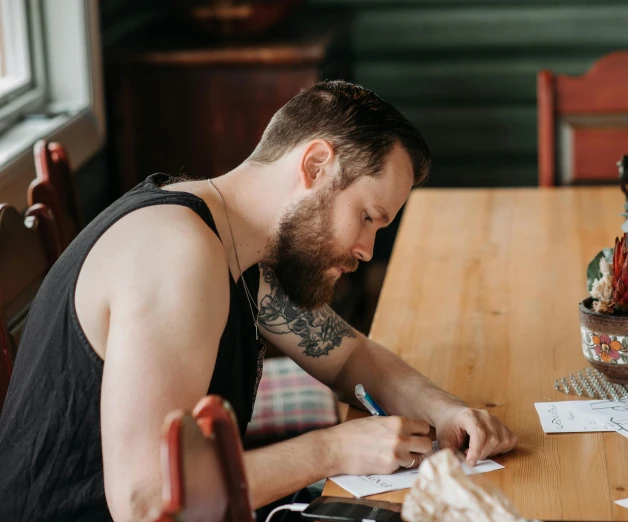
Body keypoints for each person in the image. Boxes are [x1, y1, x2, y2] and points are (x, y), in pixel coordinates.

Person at [0, 80, 518, 521]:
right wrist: (332, 450)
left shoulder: (234, 246)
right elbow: (146, 500)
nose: (365, 249)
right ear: (316, 165)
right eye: (367, 216)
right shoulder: (175, 254)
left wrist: (446, 411)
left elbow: (349, 356)